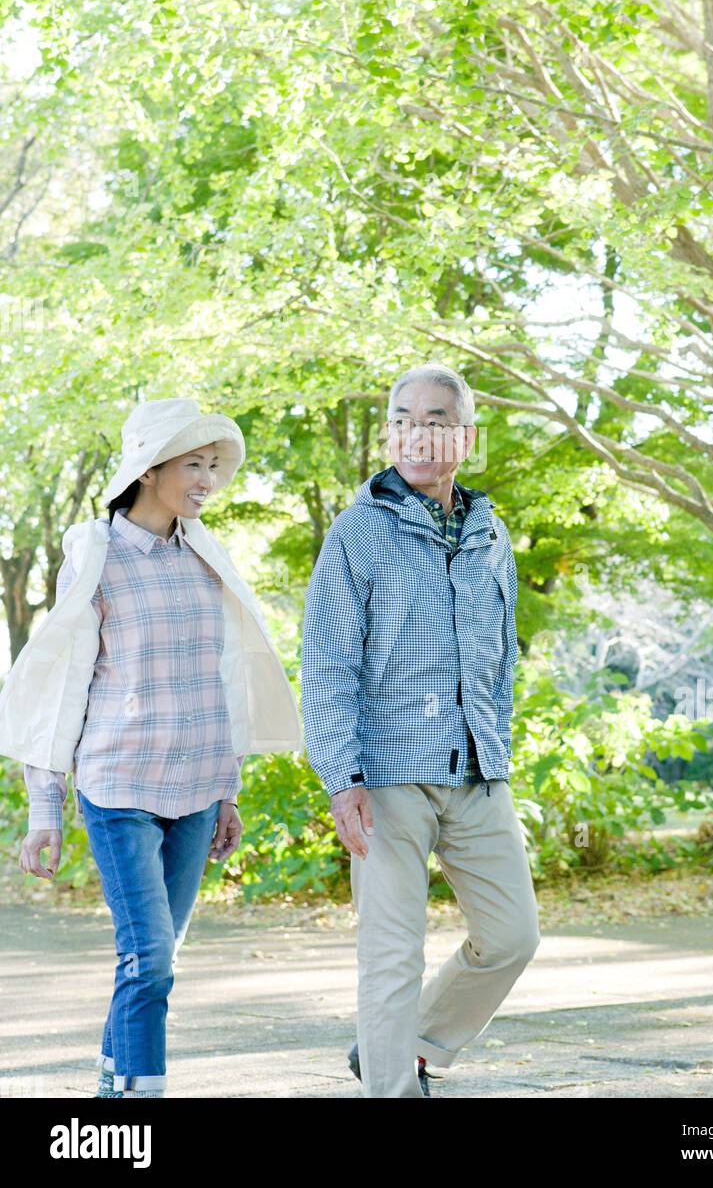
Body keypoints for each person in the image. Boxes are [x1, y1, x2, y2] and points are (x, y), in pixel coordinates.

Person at [1, 397, 302, 1098]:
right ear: (148, 470)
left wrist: (229, 791)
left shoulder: (206, 557)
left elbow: (221, 682)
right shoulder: (96, 558)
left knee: (153, 959)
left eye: (211, 466)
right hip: (119, 786)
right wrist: (44, 811)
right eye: (191, 465)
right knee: (151, 959)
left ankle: (114, 1083)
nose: (206, 480)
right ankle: (135, 1105)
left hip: (198, 792)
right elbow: (57, 689)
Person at [301, 362, 541, 1098]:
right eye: (403, 418)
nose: (417, 433)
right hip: (385, 778)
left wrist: (494, 744)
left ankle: (411, 1047)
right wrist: (341, 781)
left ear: (466, 436)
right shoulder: (357, 533)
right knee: (391, 953)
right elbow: (326, 664)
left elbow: (501, 655)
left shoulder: (489, 533)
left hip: (474, 771)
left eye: (436, 420)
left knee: (511, 937)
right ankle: (391, 1088)